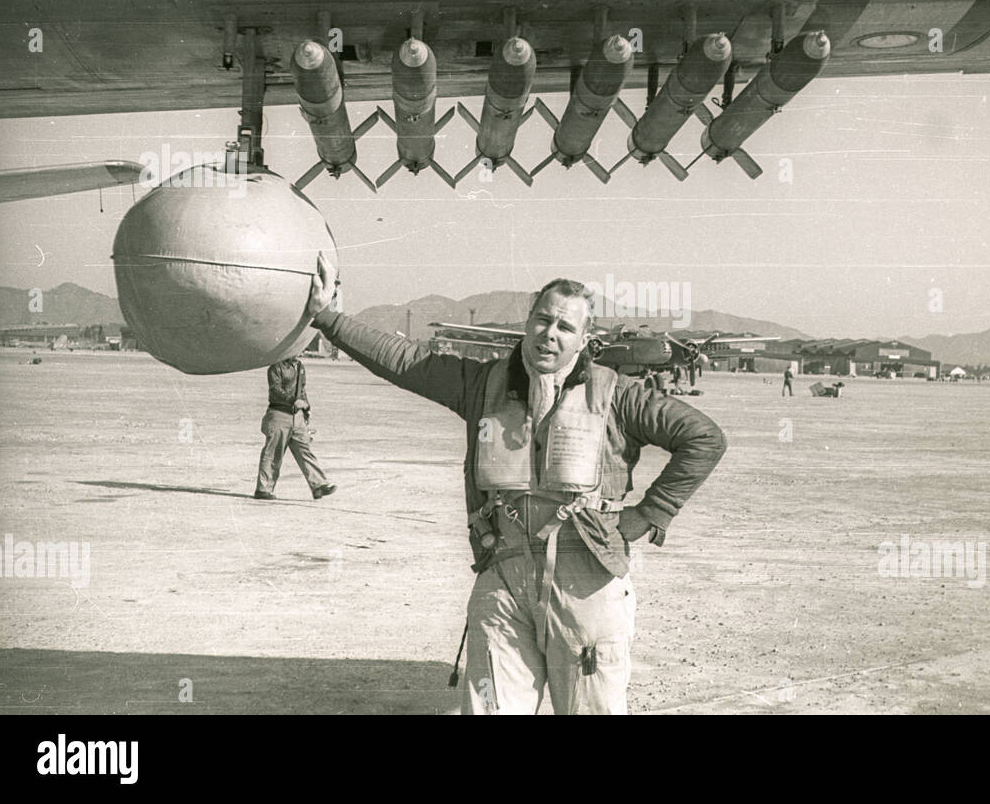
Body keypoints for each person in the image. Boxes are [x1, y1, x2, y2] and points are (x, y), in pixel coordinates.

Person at [305, 256, 726, 714]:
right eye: (543, 319)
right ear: (527, 323)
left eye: (566, 327)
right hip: (502, 577)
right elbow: (406, 361)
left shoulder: (617, 395)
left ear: (585, 340)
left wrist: (650, 513)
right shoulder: (481, 385)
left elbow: (704, 438)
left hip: (587, 582)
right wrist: (327, 317)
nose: (551, 333)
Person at [254, 356, 336, 500]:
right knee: (274, 453)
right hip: (279, 414)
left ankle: (318, 486)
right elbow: (275, 389)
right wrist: (293, 400)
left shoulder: (299, 366)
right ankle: (263, 489)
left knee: (305, 450)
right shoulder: (276, 367)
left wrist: (306, 408)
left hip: (297, 417)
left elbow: (301, 389)